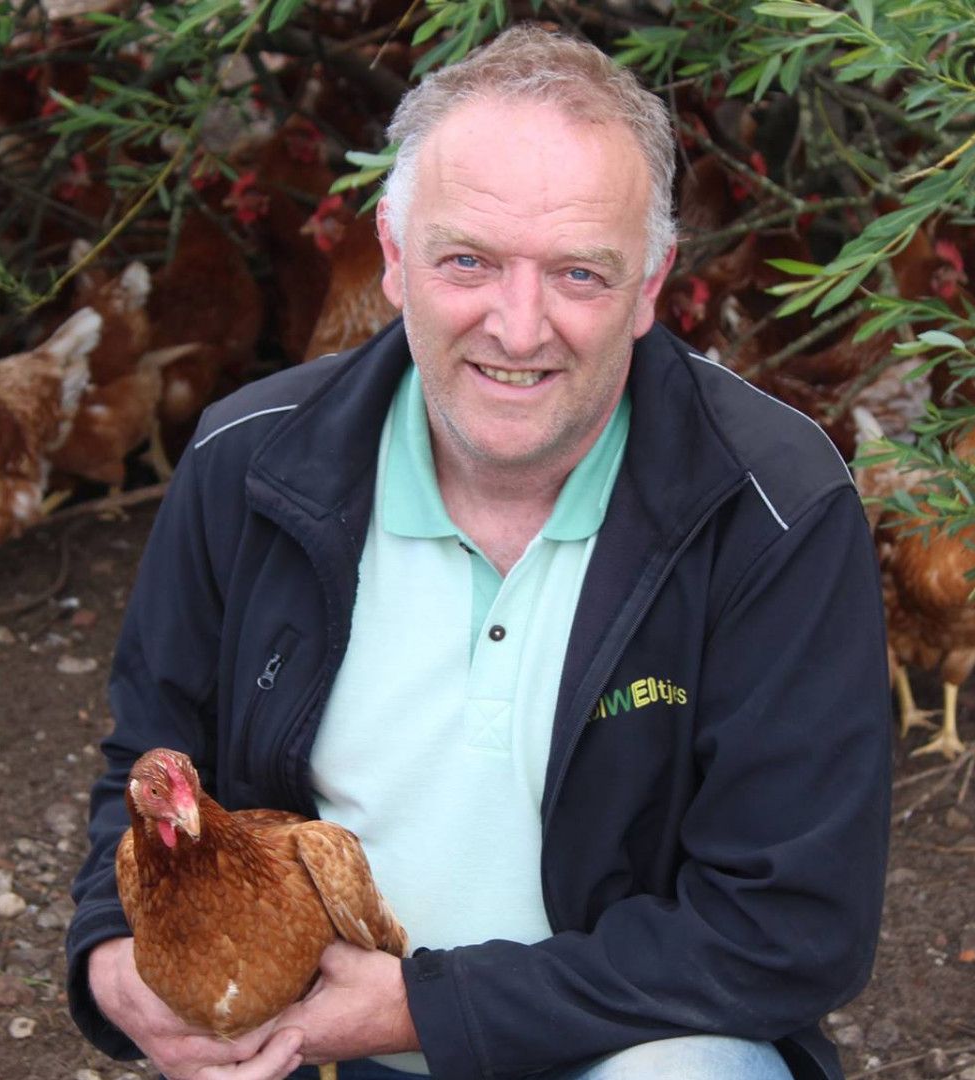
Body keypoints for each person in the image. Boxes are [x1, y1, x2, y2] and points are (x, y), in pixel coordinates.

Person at [66, 24, 892, 1080]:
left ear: (651, 285)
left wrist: (423, 1008)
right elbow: (146, 755)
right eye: (469, 260)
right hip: (308, 1052)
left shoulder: (774, 509)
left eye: (580, 274)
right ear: (396, 257)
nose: (518, 325)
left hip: (623, 1044)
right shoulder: (246, 465)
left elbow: (790, 926)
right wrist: (108, 956)